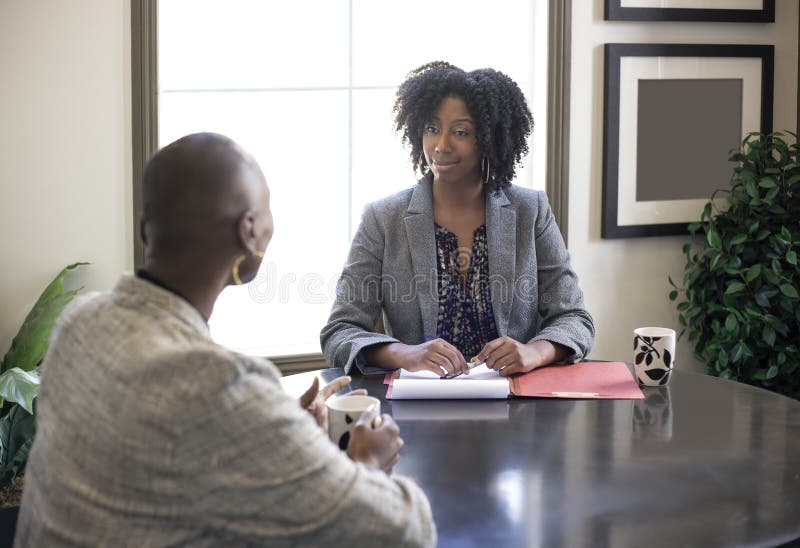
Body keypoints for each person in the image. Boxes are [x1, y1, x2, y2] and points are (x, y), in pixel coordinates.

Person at [15, 133, 435, 547]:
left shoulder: (78, 323)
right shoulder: (219, 383)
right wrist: (367, 463)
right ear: (250, 231)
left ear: (145, 230)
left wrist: (277, 435)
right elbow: (402, 528)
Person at [321, 61, 594, 378]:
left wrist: (534, 351)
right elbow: (339, 332)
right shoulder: (383, 219)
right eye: (432, 128)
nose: (441, 145)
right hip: (418, 408)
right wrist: (403, 353)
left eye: (461, 132)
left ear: (489, 139)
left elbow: (574, 318)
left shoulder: (530, 211)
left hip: (514, 402)